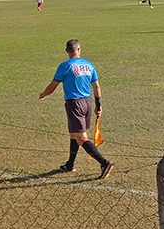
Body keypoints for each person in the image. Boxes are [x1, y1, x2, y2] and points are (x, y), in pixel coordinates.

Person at [39, 38, 112, 179]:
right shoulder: (89, 65)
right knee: (74, 134)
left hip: (74, 104)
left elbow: (53, 85)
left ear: (67, 51)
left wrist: (43, 94)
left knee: (81, 137)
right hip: (87, 102)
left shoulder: (65, 66)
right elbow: (96, 87)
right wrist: (99, 106)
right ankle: (70, 164)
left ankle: (104, 163)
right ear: (79, 49)